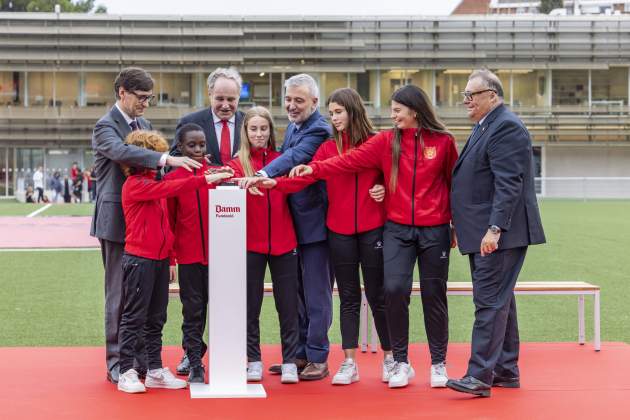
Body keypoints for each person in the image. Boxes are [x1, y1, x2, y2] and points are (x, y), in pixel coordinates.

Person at [290, 84, 458, 389]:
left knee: (434, 296)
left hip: (432, 229)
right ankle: (399, 363)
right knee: (392, 290)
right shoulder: (386, 141)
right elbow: (346, 162)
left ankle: (437, 364)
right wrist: (312, 169)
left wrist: (455, 225)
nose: (392, 115)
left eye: (397, 110)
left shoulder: (444, 142)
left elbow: (453, 185)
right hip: (393, 229)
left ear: (414, 110)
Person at [242, 88, 393, 385]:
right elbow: (302, 178)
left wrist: (383, 188)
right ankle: (334, 359)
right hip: (334, 230)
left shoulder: (369, 141)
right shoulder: (323, 145)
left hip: (358, 230)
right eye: (332, 112)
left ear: (353, 110)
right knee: (341, 297)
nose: (333, 117)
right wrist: (275, 183)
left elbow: (379, 172)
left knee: (371, 295)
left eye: (338, 112)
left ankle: (386, 358)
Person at [90, 66, 202, 385]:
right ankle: (117, 363)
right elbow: (122, 152)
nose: (146, 104)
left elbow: (158, 174)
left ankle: (143, 363)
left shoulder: (146, 124)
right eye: (141, 97)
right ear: (122, 92)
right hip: (117, 221)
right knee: (119, 294)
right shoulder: (104, 127)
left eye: (150, 98)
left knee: (149, 297)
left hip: (148, 223)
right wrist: (167, 159)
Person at [446, 69, 546, 398]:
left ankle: (479, 376)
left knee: (488, 302)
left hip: (498, 235)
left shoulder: (505, 126)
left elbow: (509, 184)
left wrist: (494, 229)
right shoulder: (487, 126)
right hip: (485, 233)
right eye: (465, 95)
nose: (466, 101)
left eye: (471, 95)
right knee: (500, 301)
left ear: (492, 94)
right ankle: (505, 370)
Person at [117, 130, 232, 394]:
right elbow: (174, 186)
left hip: (157, 260)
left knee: (157, 318)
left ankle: (155, 370)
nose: (162, 160)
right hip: (139, 260)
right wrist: (206, 178)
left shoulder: (152, 182)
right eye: (156, 155)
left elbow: (166, 225)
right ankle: (126, 371)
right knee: (134, 317)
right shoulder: (136, 185)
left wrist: (169, 258)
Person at [257, 74, 333, 381]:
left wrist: (261, 173)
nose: (291, 105)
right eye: (288, 99)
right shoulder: (293, 126)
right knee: (298, 295)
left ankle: (318, 356)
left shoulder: (319, 129)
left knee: (317, 296)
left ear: (314, 102)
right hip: (294, 227)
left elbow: (293, 158)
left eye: (298, 100)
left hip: (316, 228)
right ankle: (300, 354)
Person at [170, 67, 245, 375]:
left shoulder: (249, 124)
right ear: (210, 95)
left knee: (230, 298)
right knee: (194, 302)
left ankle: (235, 354)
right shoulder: (190, 124)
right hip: (194, 226)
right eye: (220, 98)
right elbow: (175, 170)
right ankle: (193, 352)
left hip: (236, 225)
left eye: (232, 98)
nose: (226, 105)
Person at [228, 106, 301, 384]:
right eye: (253, 129)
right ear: (245, 132)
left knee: (288, 305)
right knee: (250, 305)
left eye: (264, 128)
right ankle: (254, 360)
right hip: (250, 245)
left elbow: (297, 184)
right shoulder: (236, 164)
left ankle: (290, 361)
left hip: (284, 243)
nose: (259, 134)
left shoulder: (282, 161)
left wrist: (275, 183)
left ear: (271, 131)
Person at [164, 123, 231, 383]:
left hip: (221, 258)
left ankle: (224, 358)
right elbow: (168, 222)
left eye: (202, 145)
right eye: (191, 145)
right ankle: (195, 363)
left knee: (221, 310)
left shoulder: (218, 175)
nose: (198, 150)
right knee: (193, 311)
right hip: (190, 258)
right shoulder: (172, 180)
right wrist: (172, 258)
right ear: (180, 148)